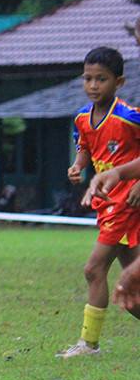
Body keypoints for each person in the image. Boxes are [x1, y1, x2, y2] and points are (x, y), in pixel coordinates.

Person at [60, 46, 140, 358]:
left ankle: (88, 344)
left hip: (126, 201)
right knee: (132, 280)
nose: (93, 85)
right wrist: (78, 166)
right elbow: (85, 147)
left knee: (94, 269)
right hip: (106, 201)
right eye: (88, 79)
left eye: (101, 79)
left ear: (118, 82)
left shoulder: (130, 117)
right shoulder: (81, 117)